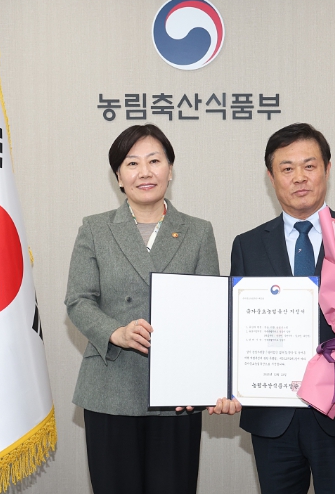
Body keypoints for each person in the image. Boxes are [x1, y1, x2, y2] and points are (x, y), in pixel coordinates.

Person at [65, 124, 239, 494]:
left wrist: (209, 382)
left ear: (170, 169)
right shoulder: (95, 229)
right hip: (110, 388)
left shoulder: (198, 231)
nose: (144, 172)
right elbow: (79, 300)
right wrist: (116, 332)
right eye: (132, 163)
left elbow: (209, 313)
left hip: (178, 393)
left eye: (154, 161)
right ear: (118, 177)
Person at [229, 122, 335, 494]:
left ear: (327, 168)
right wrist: (227, 383)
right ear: (271, 176)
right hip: (272, 418)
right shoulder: (247, 245)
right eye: (287, 168)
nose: (299, 177)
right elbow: (236, 329)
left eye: (309, 165)